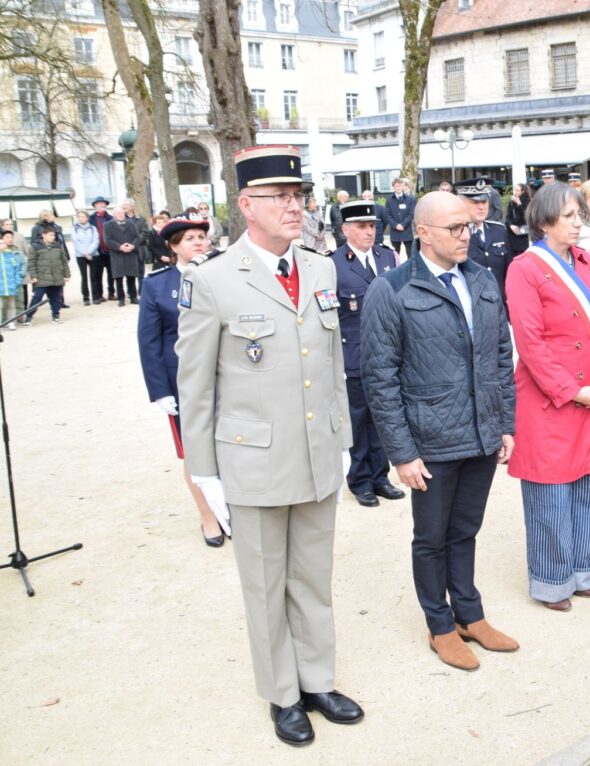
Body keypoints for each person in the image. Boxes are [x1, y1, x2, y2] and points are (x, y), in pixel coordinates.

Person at [175, 145, 362, 746]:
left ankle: (318, 681)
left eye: (298, 195)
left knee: (313, 576)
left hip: (315, 452)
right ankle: (283, 695)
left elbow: (332, 363)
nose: (293, 206)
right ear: (245, 205)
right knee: (263, 583)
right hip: (252, 459)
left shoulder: (321, 268)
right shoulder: (212, 279)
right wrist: (204, 474)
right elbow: (196, 386)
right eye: (278, 197)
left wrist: (342, 437)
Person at [360, 191, 519, 673]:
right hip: (430, 439)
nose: (465, 234)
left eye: (467, 225)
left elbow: (500, 357)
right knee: (431, 537)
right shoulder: (391, 290)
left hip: (480, 432)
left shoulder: (483, 279)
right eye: (454, 228)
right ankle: (440, 624)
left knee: (465, 530)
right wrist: (403, 454)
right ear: (422, 232)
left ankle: (470, 614)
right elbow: (380, 379)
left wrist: (505, 423)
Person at [505, 182, 590, 611]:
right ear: (545, 220)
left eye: (580, 216)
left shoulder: (587, 262)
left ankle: (583, 570)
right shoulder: (525, 268)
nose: (579, 223)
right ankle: (552, 581)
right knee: (550, 494)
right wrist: (570, 390)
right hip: (549, 400)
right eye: (569, 216)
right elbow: (530, 342)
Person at [137, 217, 225, 547]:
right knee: (195, 451)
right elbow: (149, 341)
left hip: (225, 377)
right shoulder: (158, 285)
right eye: (190, 238)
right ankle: (208, 516)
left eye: (202, 236)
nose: (199, 242)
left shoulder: (221, 276)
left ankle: (232, 506)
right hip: (182, 384)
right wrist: (159, 390)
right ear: (174, 246)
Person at [330, 199, 405, 508]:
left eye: (373, 226)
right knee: (358, 420)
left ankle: (380, 476)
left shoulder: (388, 258)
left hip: (387, 354)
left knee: (383, 417)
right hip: (353, 355)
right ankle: (360, 480)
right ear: (346, 229)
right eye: (361, 226)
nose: (369, 232)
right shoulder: (332, 264)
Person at [459, 177, 512, 309]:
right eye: (475, 202)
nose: (481, 207)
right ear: (462, 203)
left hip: (499, 307)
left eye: (484, 201)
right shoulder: (455, 235)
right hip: (471, 309)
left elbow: (509, 274)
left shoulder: (499, 231)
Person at [26, 227, 69, 325]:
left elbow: (64, 261)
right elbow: (31, 263)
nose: (52, 237)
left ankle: (55, 316)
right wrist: (34, 276)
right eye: (50, 235)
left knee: (56, 298)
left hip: (56, 278)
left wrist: (66, 274)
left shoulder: (57, 246)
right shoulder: (35, 247)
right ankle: (28, 317)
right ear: (43, 235)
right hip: (42, 278)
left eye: (53, 235)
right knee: (37, 298)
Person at [103, 207, 142, 305]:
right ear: (114, 215)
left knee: (131, 277)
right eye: (118, 213)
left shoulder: (131, 224)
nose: (120, 215)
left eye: (122, 213)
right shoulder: (107, 225)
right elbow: (107, 240)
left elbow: (137, 237)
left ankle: (133, 297)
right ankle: (121, 298)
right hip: (117, 254)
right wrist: (120, 247)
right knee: (119, 278)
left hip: (130, 253)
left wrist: (132, 245)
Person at [89, 196, 115, 301]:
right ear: (95, 205)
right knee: (97, 275)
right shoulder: (90, 219)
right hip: (97, 251)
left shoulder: (111, 218)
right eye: (99, 204)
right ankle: (99, 295)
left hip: (109, 250)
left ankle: (111, 293)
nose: (102, 205)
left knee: (112, 274)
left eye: (103, 204)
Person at [71, 211, 99, 305]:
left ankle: (96, 297)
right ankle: (86, 298)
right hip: (81, 255)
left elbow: (95, 241)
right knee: (84, 277)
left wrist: (89, 252)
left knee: (94, 277)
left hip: (93, 255)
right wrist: (84, 253)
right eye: (79, 217)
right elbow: (75, 242)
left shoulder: (93, 228)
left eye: (83, 216)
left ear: (87, 218)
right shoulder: (74, 229)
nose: (81, 218)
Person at [384, 177, 416, 257]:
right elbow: (387, 215)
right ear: (393, 187)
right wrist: (396, 225)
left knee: (410, 255)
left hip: (407, 231)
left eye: (399, 185)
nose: (398, 188)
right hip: (395, 231)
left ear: (403, 187)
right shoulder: (389, 200)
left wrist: (403, 224)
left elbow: (411, 213)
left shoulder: (410, 199)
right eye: (396, 186)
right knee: (395, 255)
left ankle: (410, 269)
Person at [0, 230, 26, 329]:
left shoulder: (11, 255)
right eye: (1, 243)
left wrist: (17, 280)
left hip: (11, 284)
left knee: (12, 305)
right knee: (1, 306)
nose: (3, 245)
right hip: (1, 285)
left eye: (3, 243)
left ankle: (11, 322)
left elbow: (17, 268)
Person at [504, 182, 531, 255]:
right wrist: (510, 225)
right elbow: (508, 216)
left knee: (521, 253)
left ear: (522, 191)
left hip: (522, 232)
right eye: (514, 190)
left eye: (517, 190)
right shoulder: (511, 202)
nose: (515, 192)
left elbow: (526, 217)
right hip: (512, 231)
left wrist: (519, 204)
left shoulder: (527, 201)